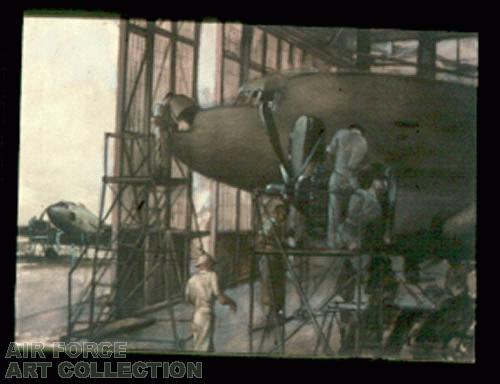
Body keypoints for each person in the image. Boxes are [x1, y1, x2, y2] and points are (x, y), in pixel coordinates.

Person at [326, 124, 368, 249]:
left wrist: (332, 167)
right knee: (353, 210)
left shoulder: (340, 133)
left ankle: (333, 242)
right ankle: (350, 241)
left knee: (334, 210)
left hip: (336, 176)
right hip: (351, 180)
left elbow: (329, 152)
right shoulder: (362, 142)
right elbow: (355, 166)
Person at [185, 254, 237, 352]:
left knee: (202, 344)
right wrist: (232, 302)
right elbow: (220, 298)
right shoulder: (212, 275)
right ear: (207, 265)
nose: (213, 267)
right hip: (206, 314)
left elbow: (188, 299)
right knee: (203, 347)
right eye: (212, 264)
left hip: (196, 315)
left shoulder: (191, 280)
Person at [257, 204, 287, 317]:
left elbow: (279, 241)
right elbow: (261, 239)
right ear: (277, 213)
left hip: (276, 258)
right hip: (269, 258)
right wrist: (268, 246)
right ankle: (271, 312)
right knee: (269, 284)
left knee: (278, 284)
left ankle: (277, 311)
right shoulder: (269, 224)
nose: (284, 216)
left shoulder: (278, 225)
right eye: (282, 214)